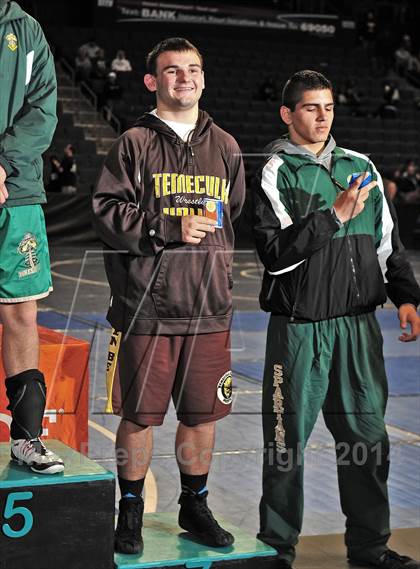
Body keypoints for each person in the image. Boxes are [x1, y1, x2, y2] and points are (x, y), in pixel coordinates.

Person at [252, 70, 420, 569]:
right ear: (288, 114)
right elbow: (276, 255)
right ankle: (277, 549)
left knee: (367, 442)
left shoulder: (360, 165)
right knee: (285, 446)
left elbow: (388, 244)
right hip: (300, 331)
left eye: (328, 107)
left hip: (358, 330)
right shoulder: (274, 170)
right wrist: (335, 215)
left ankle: (369, 548)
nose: (322, 116)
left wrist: (406, 296)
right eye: (310, 107)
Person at [93, 37, 245, 554]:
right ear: (152, 81)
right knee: (138, 416)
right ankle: (130, 510)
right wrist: (168, 226)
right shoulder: (133, 143)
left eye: (193, 69)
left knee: (202, 416)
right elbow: (108, 213)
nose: (185, 78)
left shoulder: (225, 146)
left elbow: (234, 214)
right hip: (146, 310)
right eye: (172, 70)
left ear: (203, 78)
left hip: (208, 309)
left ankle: (194, 505)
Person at [0, 0, 64, 473]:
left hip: (15, 190)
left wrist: (3, 165)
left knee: (21, 312)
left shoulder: (25, 29)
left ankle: (26, 440)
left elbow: (42, 109)